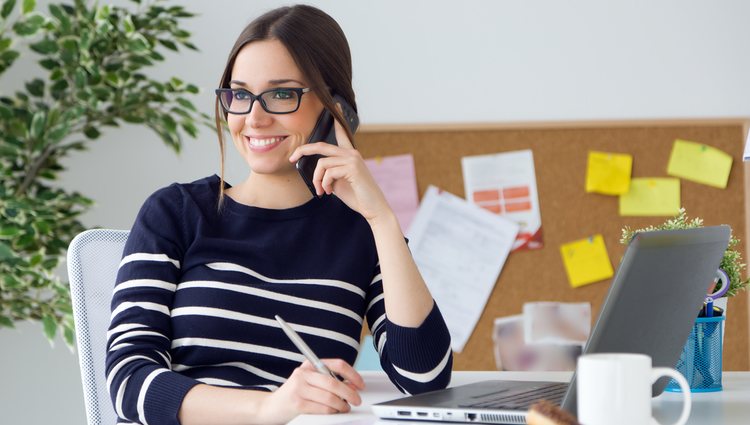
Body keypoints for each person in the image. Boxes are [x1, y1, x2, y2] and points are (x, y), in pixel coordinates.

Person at [105, 5, 453, 425]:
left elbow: (426, 380)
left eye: (281, 94)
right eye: (239, 94)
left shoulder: (359, 232)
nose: (254, 116)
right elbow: (127, 380)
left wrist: (381, 218)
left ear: (334, 108)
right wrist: (267, 408)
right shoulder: (175, 213)